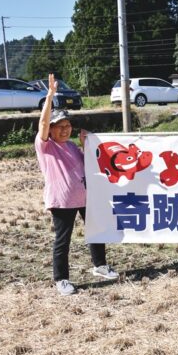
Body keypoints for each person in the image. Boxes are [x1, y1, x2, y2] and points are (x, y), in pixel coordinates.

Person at [35, 74, 118, 296]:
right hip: (62, 201)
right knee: (63, 240)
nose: (64, 129)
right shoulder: (46, 147)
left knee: (96, 230)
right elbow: (42, 122)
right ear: (50, 130)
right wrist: (50, 95)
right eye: (59, 126)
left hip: (84, 198)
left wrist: (87, 144)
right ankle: (61, 279)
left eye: (67, 125)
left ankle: (100, 265)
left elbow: (90, 166)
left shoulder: (72, 147)